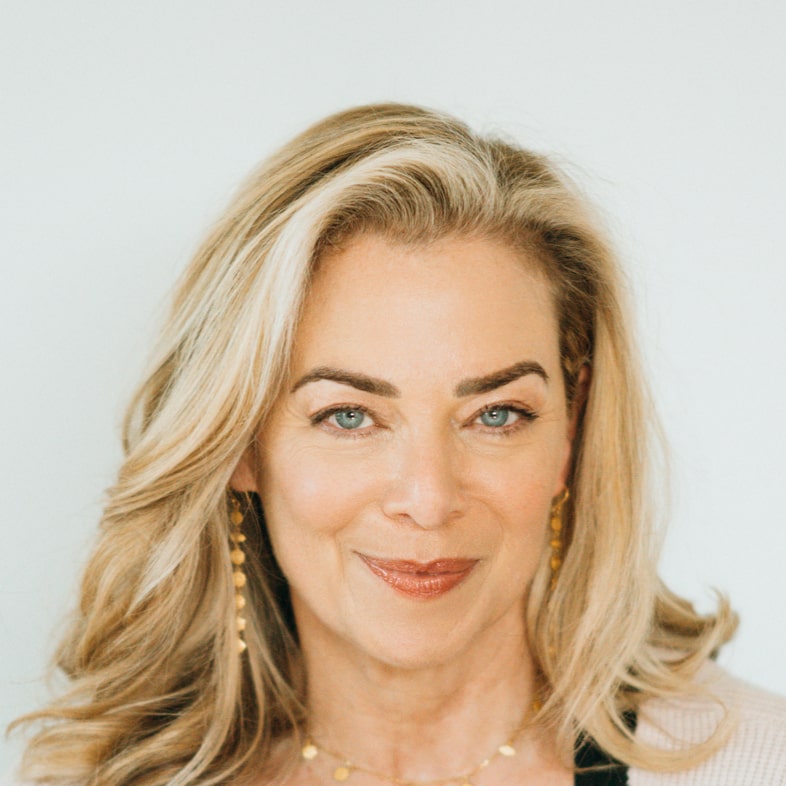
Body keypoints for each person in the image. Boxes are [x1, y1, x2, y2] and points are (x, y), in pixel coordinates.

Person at [9, 104, 786, 786]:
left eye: (496, 415)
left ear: (572, 430)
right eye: (349, 416)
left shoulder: (753, 764)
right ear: (241, 440)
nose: (427, 498)